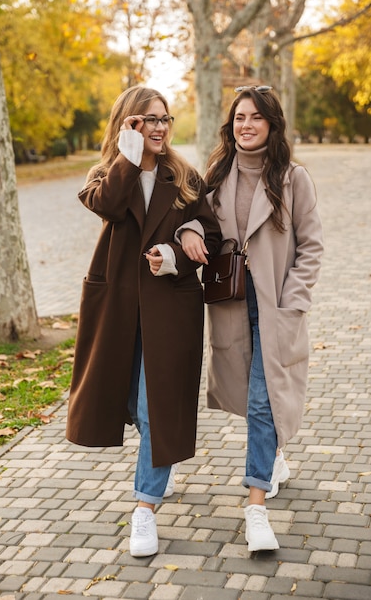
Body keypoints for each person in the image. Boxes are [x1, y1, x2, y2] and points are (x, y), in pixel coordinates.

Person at [66, 85, 221, 558]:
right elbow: (110, 205)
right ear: (126, 125)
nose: (158, 127)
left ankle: (145, 508)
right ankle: (159, 455)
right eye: (145, 120)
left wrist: (177, 250)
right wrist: (129, 158)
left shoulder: (185, 176)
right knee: (128, 403)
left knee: (156, 408)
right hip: (117, 310)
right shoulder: (104, 175)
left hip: (170, 309)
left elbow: (211, 231)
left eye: (163, 119)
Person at [178, 85, 323, 552]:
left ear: (272, 124)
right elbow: (194, 216)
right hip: (232, 303)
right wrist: (188, 232)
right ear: (231, 124)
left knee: (263, 402)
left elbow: (312, 247)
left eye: (256, 117)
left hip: (276, 306)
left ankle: (255, 508)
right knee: (253, 398)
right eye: (240, 117)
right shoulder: (215, 175)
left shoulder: (293, 178)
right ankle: (276, 456)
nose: (246, 125)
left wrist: (293, 301)